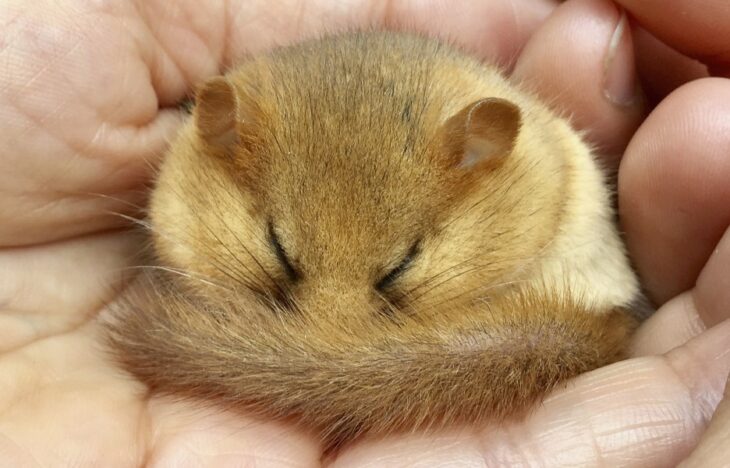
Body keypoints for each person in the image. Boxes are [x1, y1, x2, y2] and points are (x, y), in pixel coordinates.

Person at [0, 0, 728, 465]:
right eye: (283, 257)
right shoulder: (216, 144)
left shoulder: (492, 162)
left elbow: (529, 197)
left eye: (398, 268)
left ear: (479, 153)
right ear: (225, 132)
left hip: (560, 291)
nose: (331, 326)